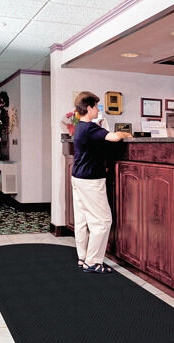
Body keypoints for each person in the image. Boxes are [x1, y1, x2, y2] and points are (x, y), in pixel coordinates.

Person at [72, 91, 132, 274]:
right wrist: (126, 133)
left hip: (78, 177)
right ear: (89, 107)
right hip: (90, 179)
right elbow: (114, 137)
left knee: (82, 219)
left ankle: (83, 257)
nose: (98, 110)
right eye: (96, 107)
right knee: (103, 221)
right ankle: (93, 262)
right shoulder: (90, 127)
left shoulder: (79, 127)